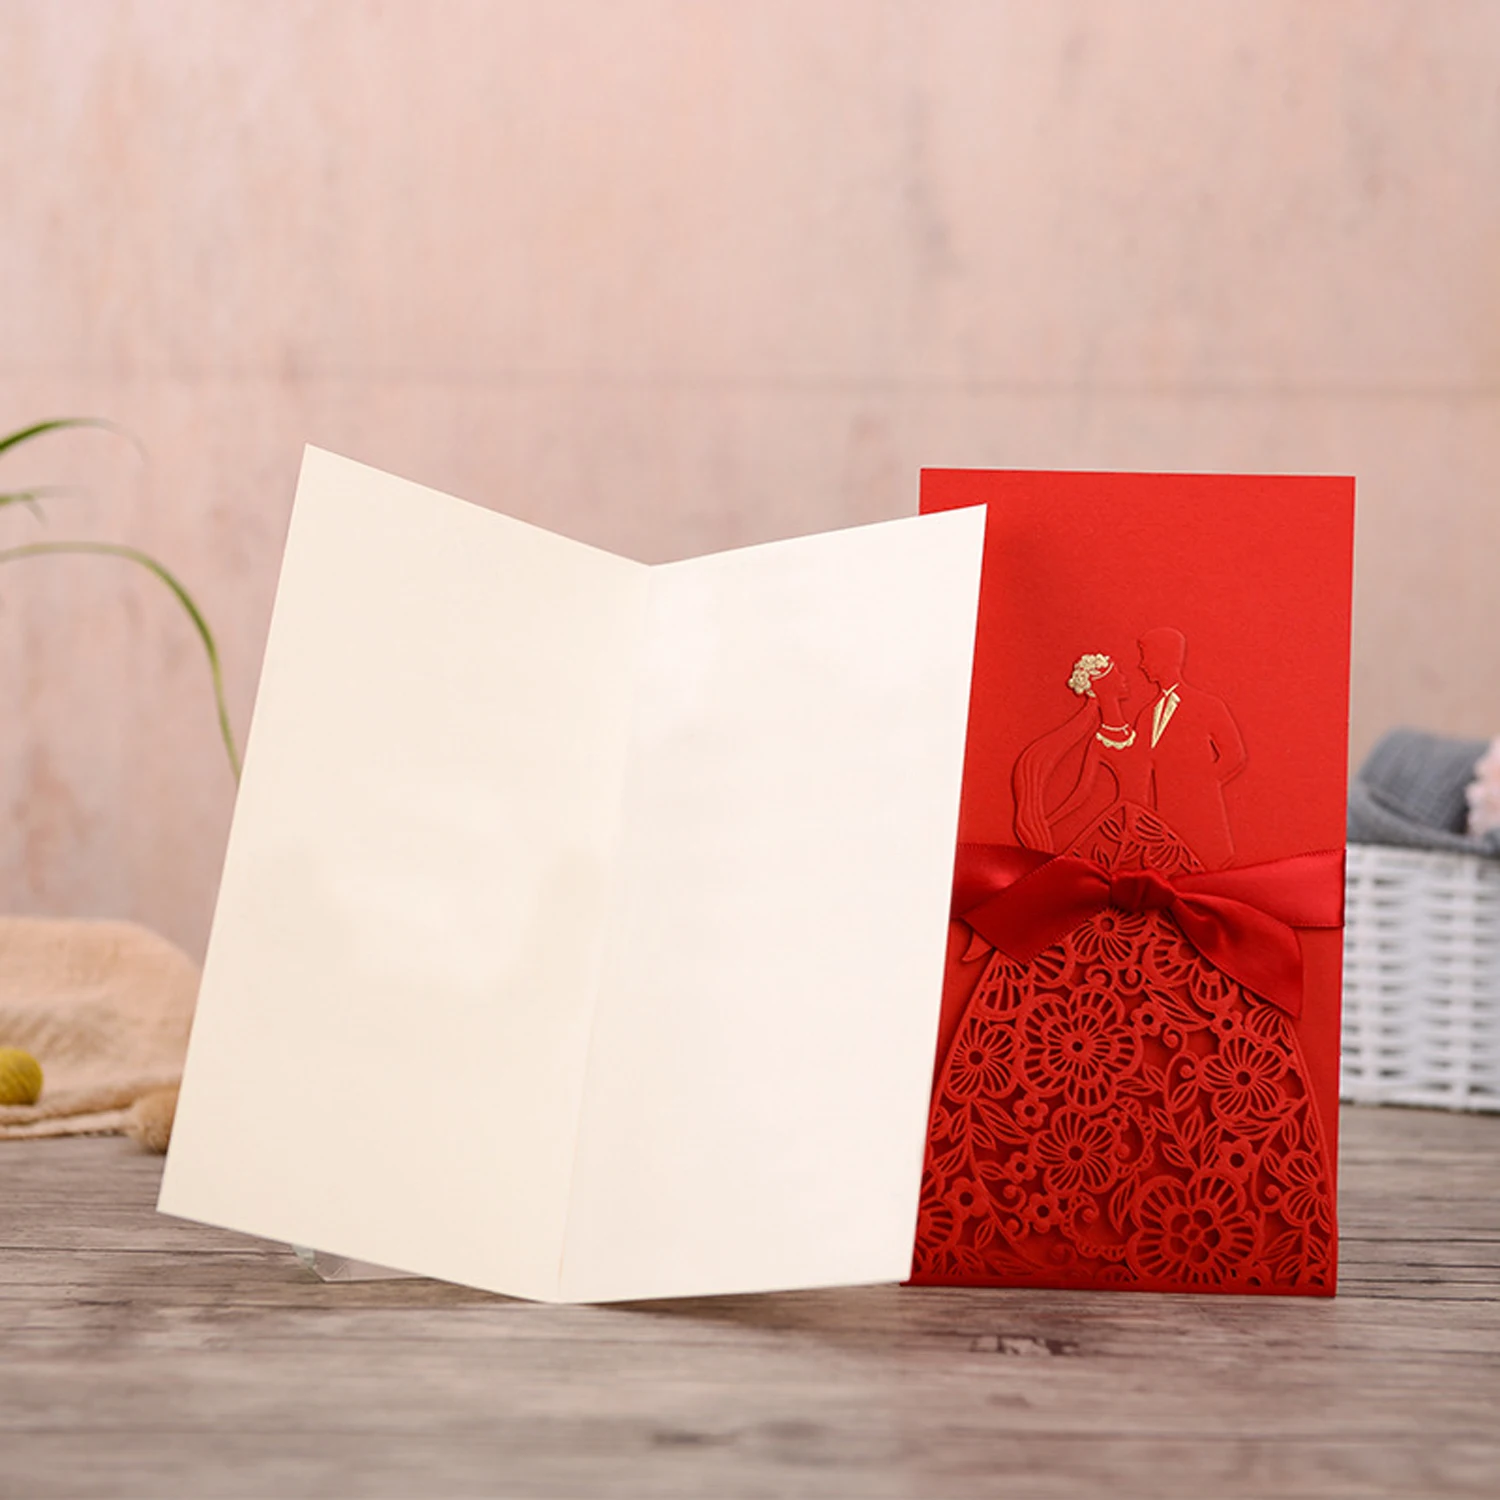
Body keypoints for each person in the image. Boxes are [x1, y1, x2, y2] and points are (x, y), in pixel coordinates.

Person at [1012, 652, 1150, 851]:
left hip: (1149, 822)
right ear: (1103, 686)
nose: (1123, 678)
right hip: (1126, 822)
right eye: (1117, 674)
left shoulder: (1143, 727)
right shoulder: (1100, 743)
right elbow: (1082, 793)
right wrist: (1050, 821)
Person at [1135, 627, 1246, 870]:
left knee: (1209, 871)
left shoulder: (1207, 706)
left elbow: (1234, 755)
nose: (1142, 665)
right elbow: (1140, 767)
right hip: (1164, 823)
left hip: (1203, 822)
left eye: (1147, 657)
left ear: (1165, 658)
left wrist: (1202, 786)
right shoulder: (1146, 715)